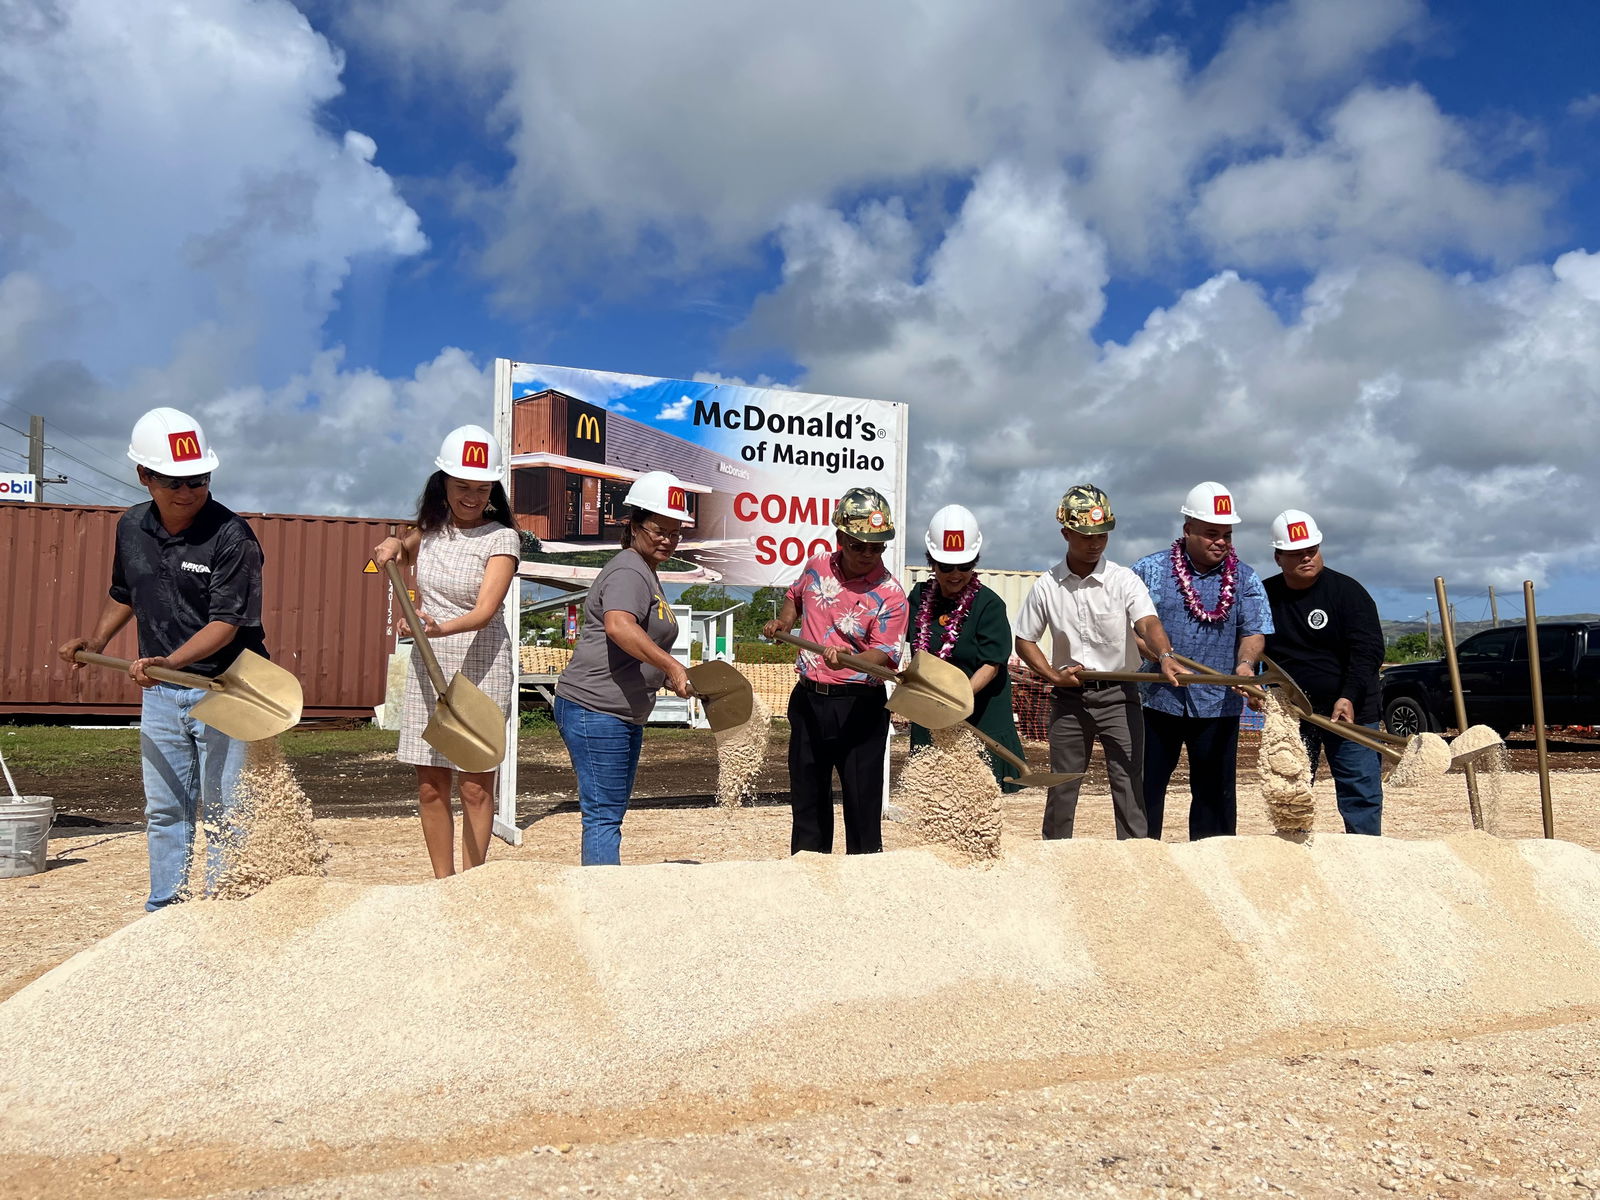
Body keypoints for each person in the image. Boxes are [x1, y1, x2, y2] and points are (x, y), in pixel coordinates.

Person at [57, 407, 267, 911]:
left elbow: (227, 622)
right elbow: (125, 592)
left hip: (226, 689)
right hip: (161, 695)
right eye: (173, 481)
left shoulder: (232, 536)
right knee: (166, 808)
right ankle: (165, 911)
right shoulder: (131, 527)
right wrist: (96, 642)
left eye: (198, 479)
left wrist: (165, 659)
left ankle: (222, 909)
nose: (188, 490)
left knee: (226, 808)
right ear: (144, 476)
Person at [372, 424, 520, 878]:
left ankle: (472, 883)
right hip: (426, 665)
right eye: (462, 487)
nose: (472, 497)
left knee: (475, 786)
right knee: (431, 785)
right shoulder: (431, 531)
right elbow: (399, 549)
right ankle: (443, 882)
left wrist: (433, 628)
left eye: (482, 488)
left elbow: (484, 611)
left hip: (480, 663)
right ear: (443, 484)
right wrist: (393, 543)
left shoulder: (502, 538)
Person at [1014, 485, 1183, 839]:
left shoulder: (1123, 580)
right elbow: (1025, 639)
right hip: (1069, 698)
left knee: (1127, 780)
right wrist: (1051, 677)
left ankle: (1136, 856)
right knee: (1063, 784)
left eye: (1102, 534)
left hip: (1120, 695)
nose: (1095, 542)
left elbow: (1147, 622)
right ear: (1066, 534)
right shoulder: (1047, 586)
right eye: (1086, 535)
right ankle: (1056, 856)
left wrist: (1165, 655)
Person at [553, 470, 693, 866]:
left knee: (608, 812)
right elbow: (618, 625)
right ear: (633, 524)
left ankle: (604, 895)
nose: (668, 537)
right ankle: (602, 901)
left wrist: (668, 675)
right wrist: (670, 664)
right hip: (597, 709)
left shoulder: (643, 570)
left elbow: (636, 641)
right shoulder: (630, 569)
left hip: (617, 711)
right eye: (659, 528)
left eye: (675, 530)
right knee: (603, 816)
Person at [762, 486, 909, 855]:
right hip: (809, 701)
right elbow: (794, 596)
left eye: (877, 547)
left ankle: (863, 893)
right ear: (841, 537)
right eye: (859, 545)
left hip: (860, 708)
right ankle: (812, 885)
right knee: (808, 804)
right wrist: (783, 622)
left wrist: (851, 658)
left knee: (862, 809)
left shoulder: (891, 594)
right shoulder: (816, 566)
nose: (867, 554)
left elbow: (884, 653)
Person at [1132, 481, 1273, 840]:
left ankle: (1216, 865)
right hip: (1156, 700)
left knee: (1215, 794)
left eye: (1226, 534)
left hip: (1219, 703)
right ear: (1188, 529)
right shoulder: (1147, 571)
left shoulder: (1246, 578)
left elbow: (1254, 631)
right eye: (1211, 533)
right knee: (1146, 789)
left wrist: (1244, 667)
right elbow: (1129, 629)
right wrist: (1157, 656)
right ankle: (1143, 862)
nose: (1221, 541)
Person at [1263, 509, 1385, 836]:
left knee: (1359, 790)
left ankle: (1366, 857)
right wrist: (1255, 686)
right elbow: (1252, 645)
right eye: (1296, 553)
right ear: (1278, 557)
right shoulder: (1265, 596)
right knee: (1290, 792)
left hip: (1351, 708)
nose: (1306, 557)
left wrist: (1348, 696)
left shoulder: (1348, 593)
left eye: (1311, 550)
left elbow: (1368, 652)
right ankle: (1297, 857)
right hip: (1293, 712)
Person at [905, 505, 1026, 792]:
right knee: (934, 797)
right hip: (931, 714)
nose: (956, 574)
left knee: (977, 799)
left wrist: (957, 698)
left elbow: (991, 665)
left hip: (980, 715)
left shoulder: (989, 605)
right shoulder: (919, 598)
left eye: (965, 565)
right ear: (931, 563)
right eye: (946, 566)